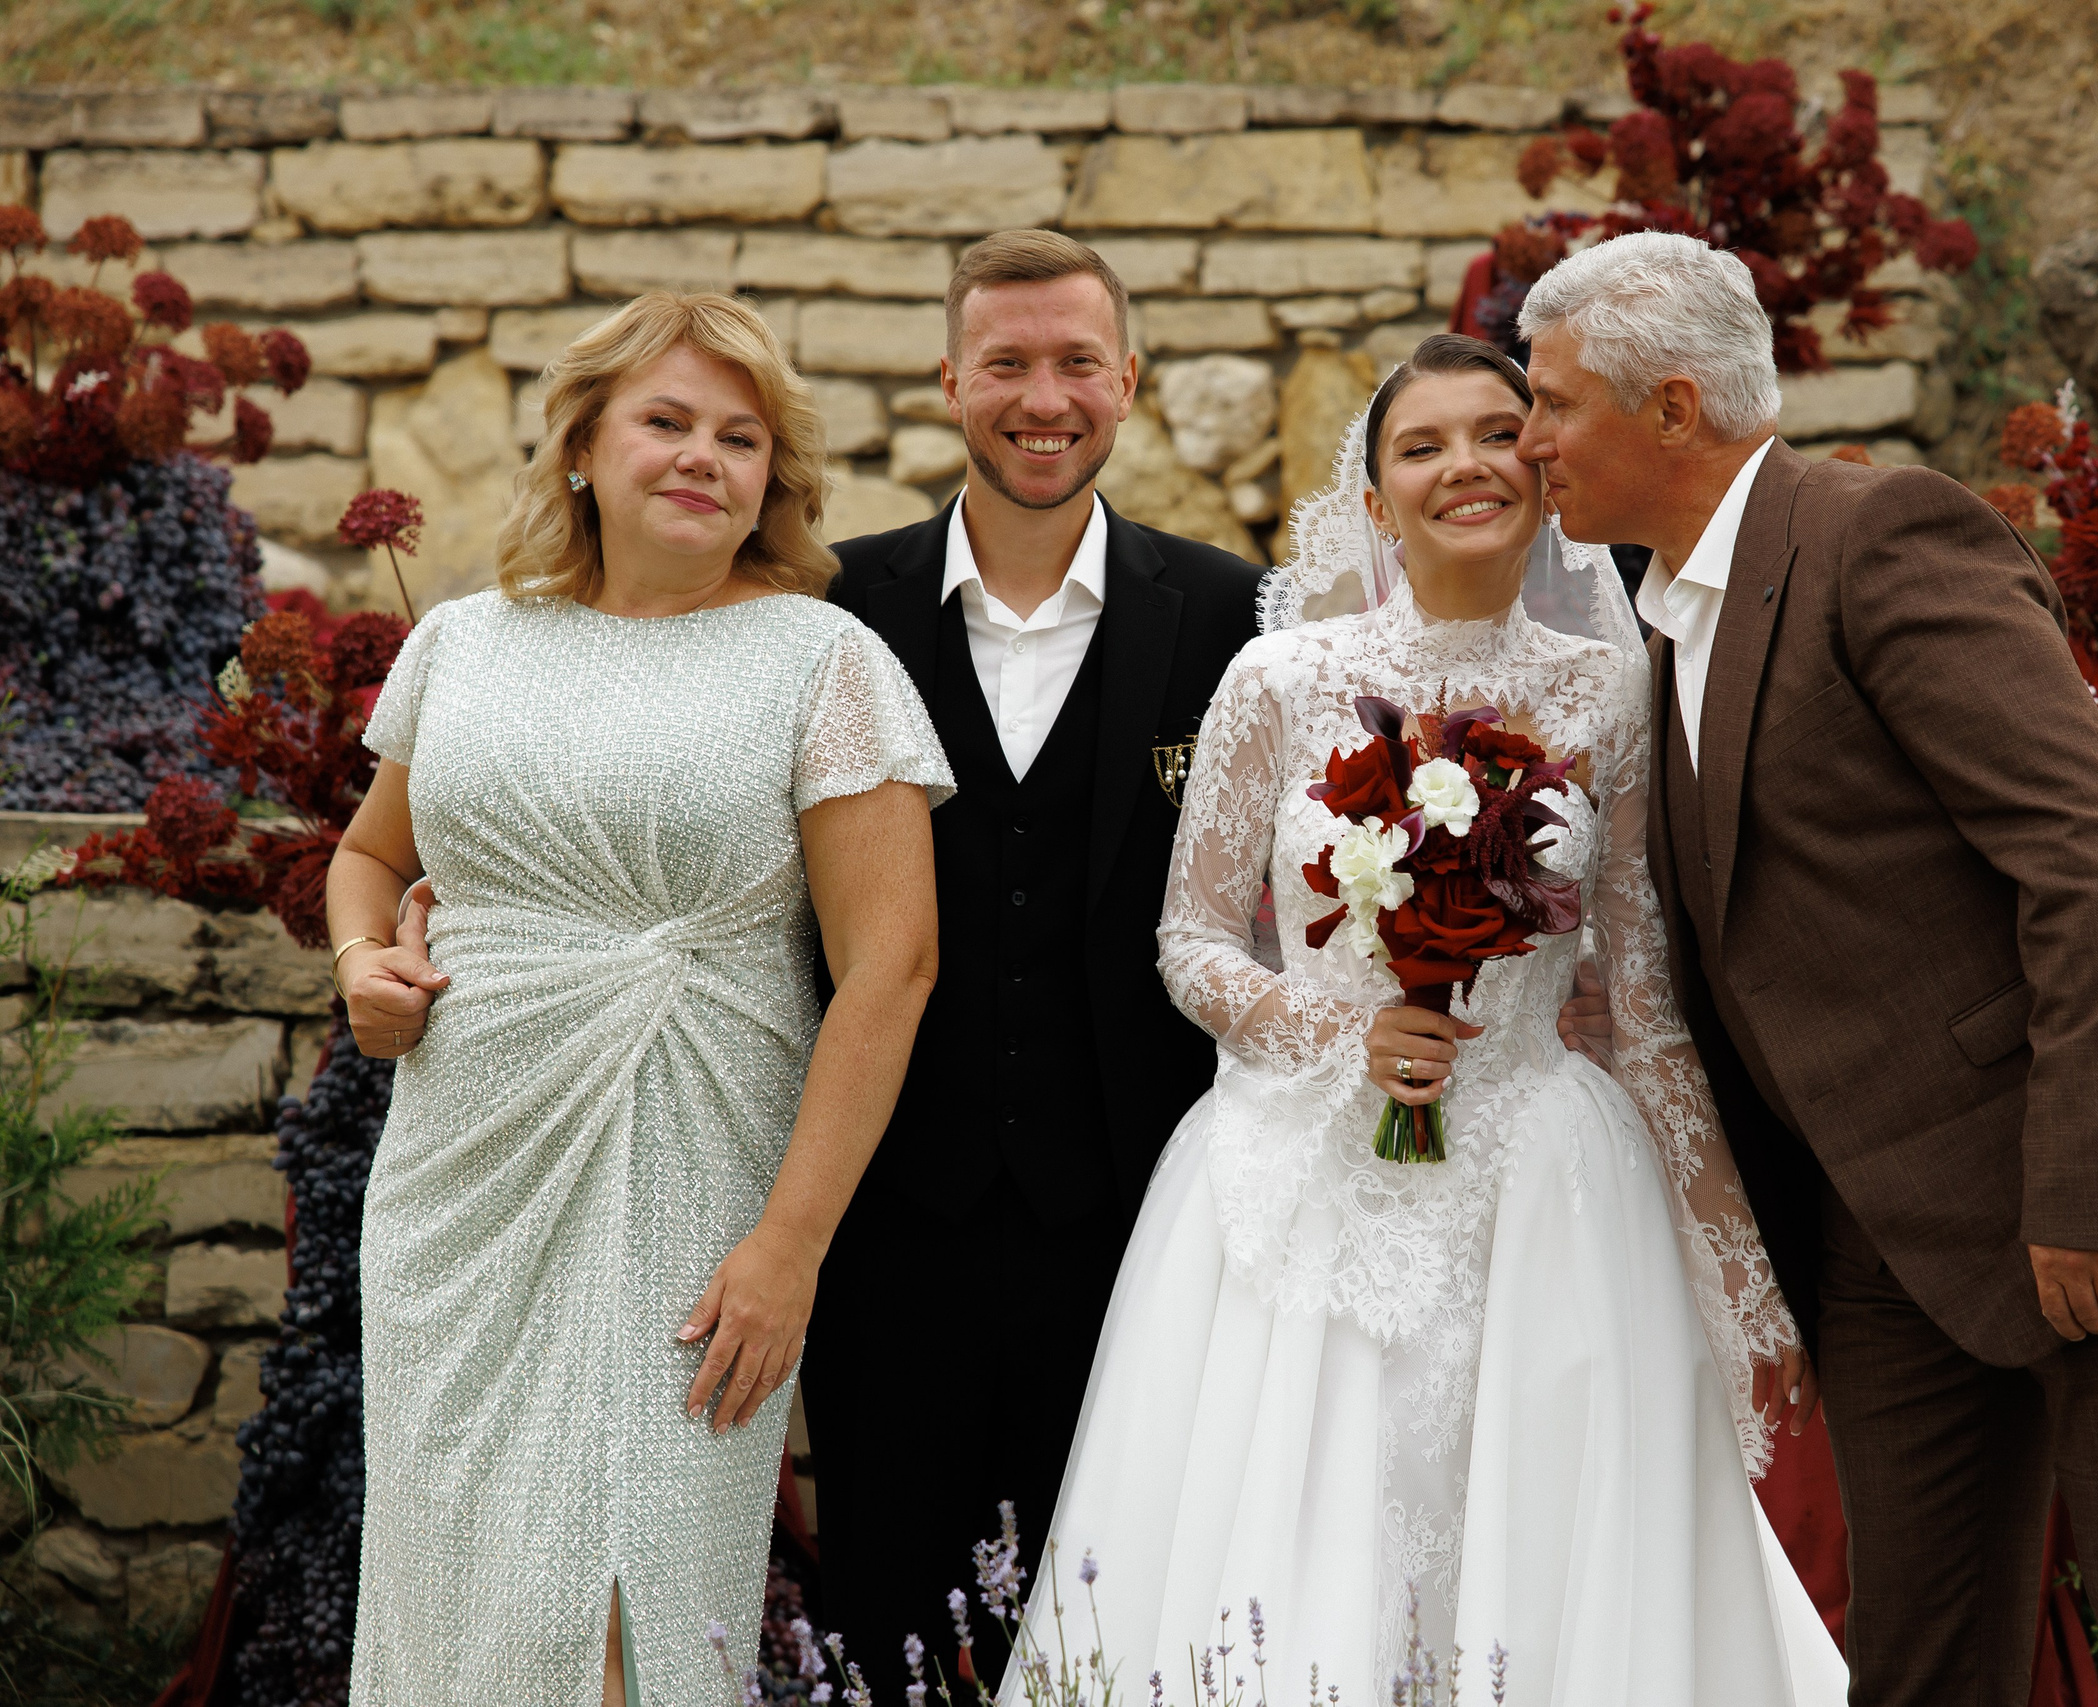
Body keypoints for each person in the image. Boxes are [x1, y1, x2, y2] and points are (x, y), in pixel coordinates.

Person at [1515, 231, 2098, 1707]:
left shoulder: (1881, 537)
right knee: (1915, 1655)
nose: (1530, 438)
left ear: (1676, 411)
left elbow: (2089, 859)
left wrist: (2087, 1189)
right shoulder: (1665, 621)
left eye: (1555, 401)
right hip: (1890, 1233)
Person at [1010, 334, 1846, 1707]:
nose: (1465, 463)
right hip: (1303, 1173)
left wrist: (1732, 1271)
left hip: (1544, 1186)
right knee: (1303, 1538)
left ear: (1543, 469)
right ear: (1375, 500)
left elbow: (1644, 1003)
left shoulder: (1610, 688)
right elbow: (1192, 940)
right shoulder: (1277, 680)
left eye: (1497, 433)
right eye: (1421, 445)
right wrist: (1340, 1037)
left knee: (1542, 1537)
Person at [328, 290, 952, 1707]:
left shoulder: (825, 660)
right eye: (665, 422)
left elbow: (892, 971)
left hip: (693, 1189)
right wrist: (366, 964)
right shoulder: (466, 644)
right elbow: (369, 859)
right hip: (457, 1195)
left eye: (740, 438)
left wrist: (789, 1248)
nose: (701, 457)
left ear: (771, 483)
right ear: (583, 450)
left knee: (635, 1610)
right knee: (451, 1604)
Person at [800, 231, 1267, 1686]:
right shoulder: (829, 605)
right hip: (883, 1224)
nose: (1042, 396)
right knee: (884, 1621)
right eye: (1007, 362)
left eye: (1077, 362)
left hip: (1135, 1226)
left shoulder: (1239, 615)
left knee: (1114, 1625)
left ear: (1128, 381)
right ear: (949, 380)